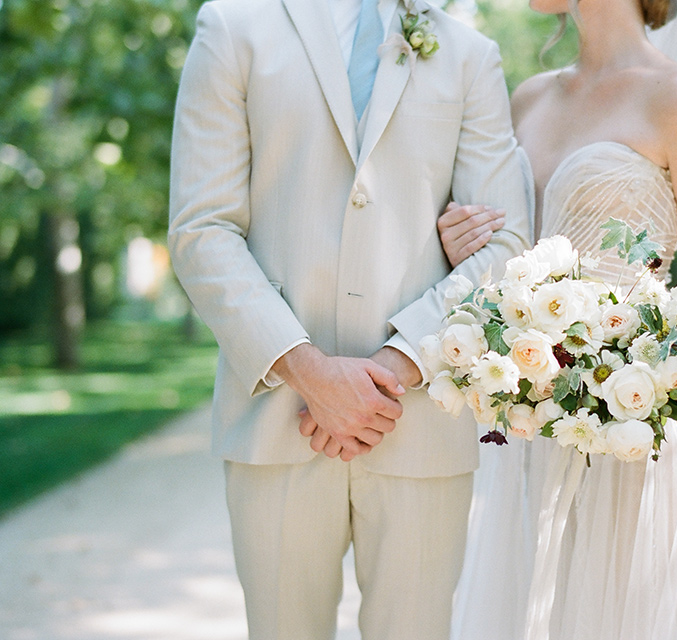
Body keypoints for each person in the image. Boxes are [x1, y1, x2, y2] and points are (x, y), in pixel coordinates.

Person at [167, 0, 532, 636]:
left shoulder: (472, 55)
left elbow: (507, 245)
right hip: (278, 417)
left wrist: (395, 365)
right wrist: (309, 372)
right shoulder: (233, 27)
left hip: (420, 420)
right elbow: (203, 229)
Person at [439, 0, 677, 638]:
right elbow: (500, 247)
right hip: (530, 418)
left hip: (630, 426)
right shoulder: (527, 98)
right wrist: (461, 246)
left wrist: (623, 365)